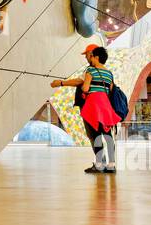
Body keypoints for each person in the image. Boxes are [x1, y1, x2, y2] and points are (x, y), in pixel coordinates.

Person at [50, 43, 118, 174]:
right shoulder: (109, 73)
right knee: (108, 136)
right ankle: (112, 164)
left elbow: (85, 87)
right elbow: (110, 91)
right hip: (106, 107)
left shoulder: (90, 70)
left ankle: (99, 164)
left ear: (95, 56)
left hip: (93, 106)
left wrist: (63, 83)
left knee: (95, 135)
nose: (88, 58)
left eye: (88, 55)